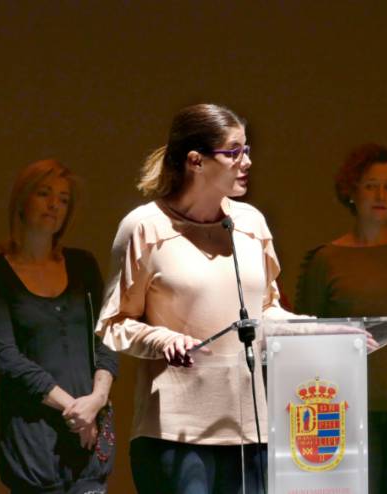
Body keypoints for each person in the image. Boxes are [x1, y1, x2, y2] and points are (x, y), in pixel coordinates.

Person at [96, 103, 302, 493]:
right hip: (175, 433)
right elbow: (114, 323)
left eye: (247, 149)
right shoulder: (144, 227)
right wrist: (163, 339)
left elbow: (266, 311)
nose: (247, 161)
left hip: (250, 431)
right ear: (196, 161)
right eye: (234, 152)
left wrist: (327, 333)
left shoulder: (251, 223)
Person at [295, 144, 387, 494]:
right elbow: (307, 333)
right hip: (348, 412)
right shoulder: (326, 259)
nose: (381, 196)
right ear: (352, 192)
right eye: (371, 186)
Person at [0, 159, 118, 493]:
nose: (54, 204)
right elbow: (7, 359)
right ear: (22, 201)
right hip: (33, 441)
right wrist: (73, 408)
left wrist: (96, 400)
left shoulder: (83, 265)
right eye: (44, 194)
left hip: (89, 434)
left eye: (63, 199)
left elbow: (107, 336)